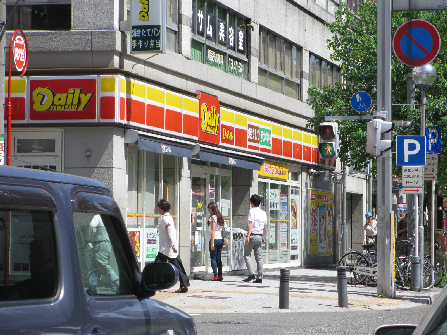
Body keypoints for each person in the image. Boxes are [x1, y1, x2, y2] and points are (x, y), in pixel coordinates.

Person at [155, 199, 190, 293]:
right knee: (178, 266)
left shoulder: (166, 219)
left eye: (158, 206)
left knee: (157, 266)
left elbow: (171, 232)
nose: (157, 208)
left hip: (166, 248)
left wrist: (174, 245)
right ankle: (184, 284)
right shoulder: (167, 218)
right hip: (167, 248)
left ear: (162, 208)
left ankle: (155, 284)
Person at [243, 194, 267, 284]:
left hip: (253, 235)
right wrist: (262, 235)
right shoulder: (263, 212)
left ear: (251, 203)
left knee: (246, 255)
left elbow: (251, 224)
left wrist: (248, 235)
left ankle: (252, 273)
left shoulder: (252, 211)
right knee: (259, 258)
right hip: (260, 236)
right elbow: (264, 225)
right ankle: (260, 276)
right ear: (260, 203)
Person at [208, 202, 225, 281]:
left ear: (211, 209)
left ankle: (215, 275)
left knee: (213, 258)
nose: (208, 210)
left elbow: (213, 230)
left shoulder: (212, 217)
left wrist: (212, 242)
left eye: (209, 209)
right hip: (220, 239)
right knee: (219, 258)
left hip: (215, 239)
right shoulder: (220, 217)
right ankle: (220, 275)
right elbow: (222, 230)